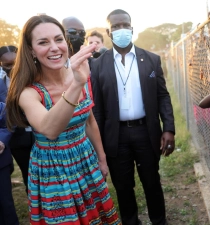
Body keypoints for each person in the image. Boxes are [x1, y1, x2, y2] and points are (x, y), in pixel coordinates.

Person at [5, 14, 121, 224]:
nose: (54, 47)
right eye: (43, 42)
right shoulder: (29, 93)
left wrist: (102, 159)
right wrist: (76, 84)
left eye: (58, 39)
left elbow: (89, 121)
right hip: (53, 168)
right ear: (31, 50)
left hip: (85, 159)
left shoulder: (78, 73)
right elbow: (49, 129)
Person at [91, 9, 175, 225]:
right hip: (115, 135)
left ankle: (159, 221)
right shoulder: (98, 65)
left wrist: (168, 128)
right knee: (123, 185)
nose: (121, 30)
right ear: (109, 32)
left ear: (132, 28)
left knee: (151, 181)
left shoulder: (151, 60)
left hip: (146, 131)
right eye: (116, 27)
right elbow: (97, 109)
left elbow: (162, 96)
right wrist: (98, 145)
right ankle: (130, 222)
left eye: (125, 25)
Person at [0, 45, 35, 194]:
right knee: (28, 174)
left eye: (15, 62)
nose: (12, 67)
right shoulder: (1, 85)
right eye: (7, 64)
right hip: (17, 138)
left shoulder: (33, 77)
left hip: (39, 133)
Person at [0, 102, 18, 225]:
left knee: (4, 203)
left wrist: (1, 140)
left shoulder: (1, 107)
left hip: (0, 164)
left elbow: (9, 121)